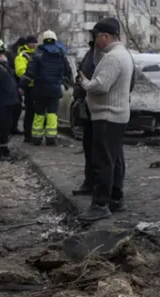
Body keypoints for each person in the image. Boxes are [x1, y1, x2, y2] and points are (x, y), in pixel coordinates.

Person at [78, 17, 133, 222]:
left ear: (106, 36)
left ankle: (100, 204)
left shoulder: (113, 57)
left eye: (97, 36)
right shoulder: (123, 54)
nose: (95, 41)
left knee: (103, 161)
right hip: (116, 115)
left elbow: (101, 86)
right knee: (114, 159)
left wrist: (85, 83)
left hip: (107, 115)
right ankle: (116, 198)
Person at [20, 30, 72, 146]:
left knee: (39, 114)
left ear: (43, 40)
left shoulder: (38, 54)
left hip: (40, 90)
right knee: (52, 114)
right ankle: (51, 138)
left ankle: (36, 138)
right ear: (55, 40)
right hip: (55, 90)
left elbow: (30, 72)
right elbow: (67, 72)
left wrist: (22, 86)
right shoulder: (61, 54)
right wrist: (65, 83)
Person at [72, 30, 98, 197]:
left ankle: (102, 188)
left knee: (100, 150)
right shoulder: (91, 53)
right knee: (88, 146)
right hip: (88, 107)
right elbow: (81, 74)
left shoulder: (108, 55)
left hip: (101, 110)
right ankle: (89, 182)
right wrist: (78, 89)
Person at [15, 35, 38, 143]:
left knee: (38, 112)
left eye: (35, 42)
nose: (34, 44)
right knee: (30, 112)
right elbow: (20, 71)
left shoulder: (37, 54)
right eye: (32, 42)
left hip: (38, 86)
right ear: (27, 43)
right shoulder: (22, 55)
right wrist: (30, 78)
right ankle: (28, 134)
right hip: (29, 87)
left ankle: (36, 134)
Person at [7, 37, 26, 136]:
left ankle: (13, 127)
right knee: (14, 107)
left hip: (18, 83)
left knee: (18, 107)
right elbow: (8, 70)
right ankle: (10, 128)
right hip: (12, 83)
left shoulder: (19, 53)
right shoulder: (10, 54)